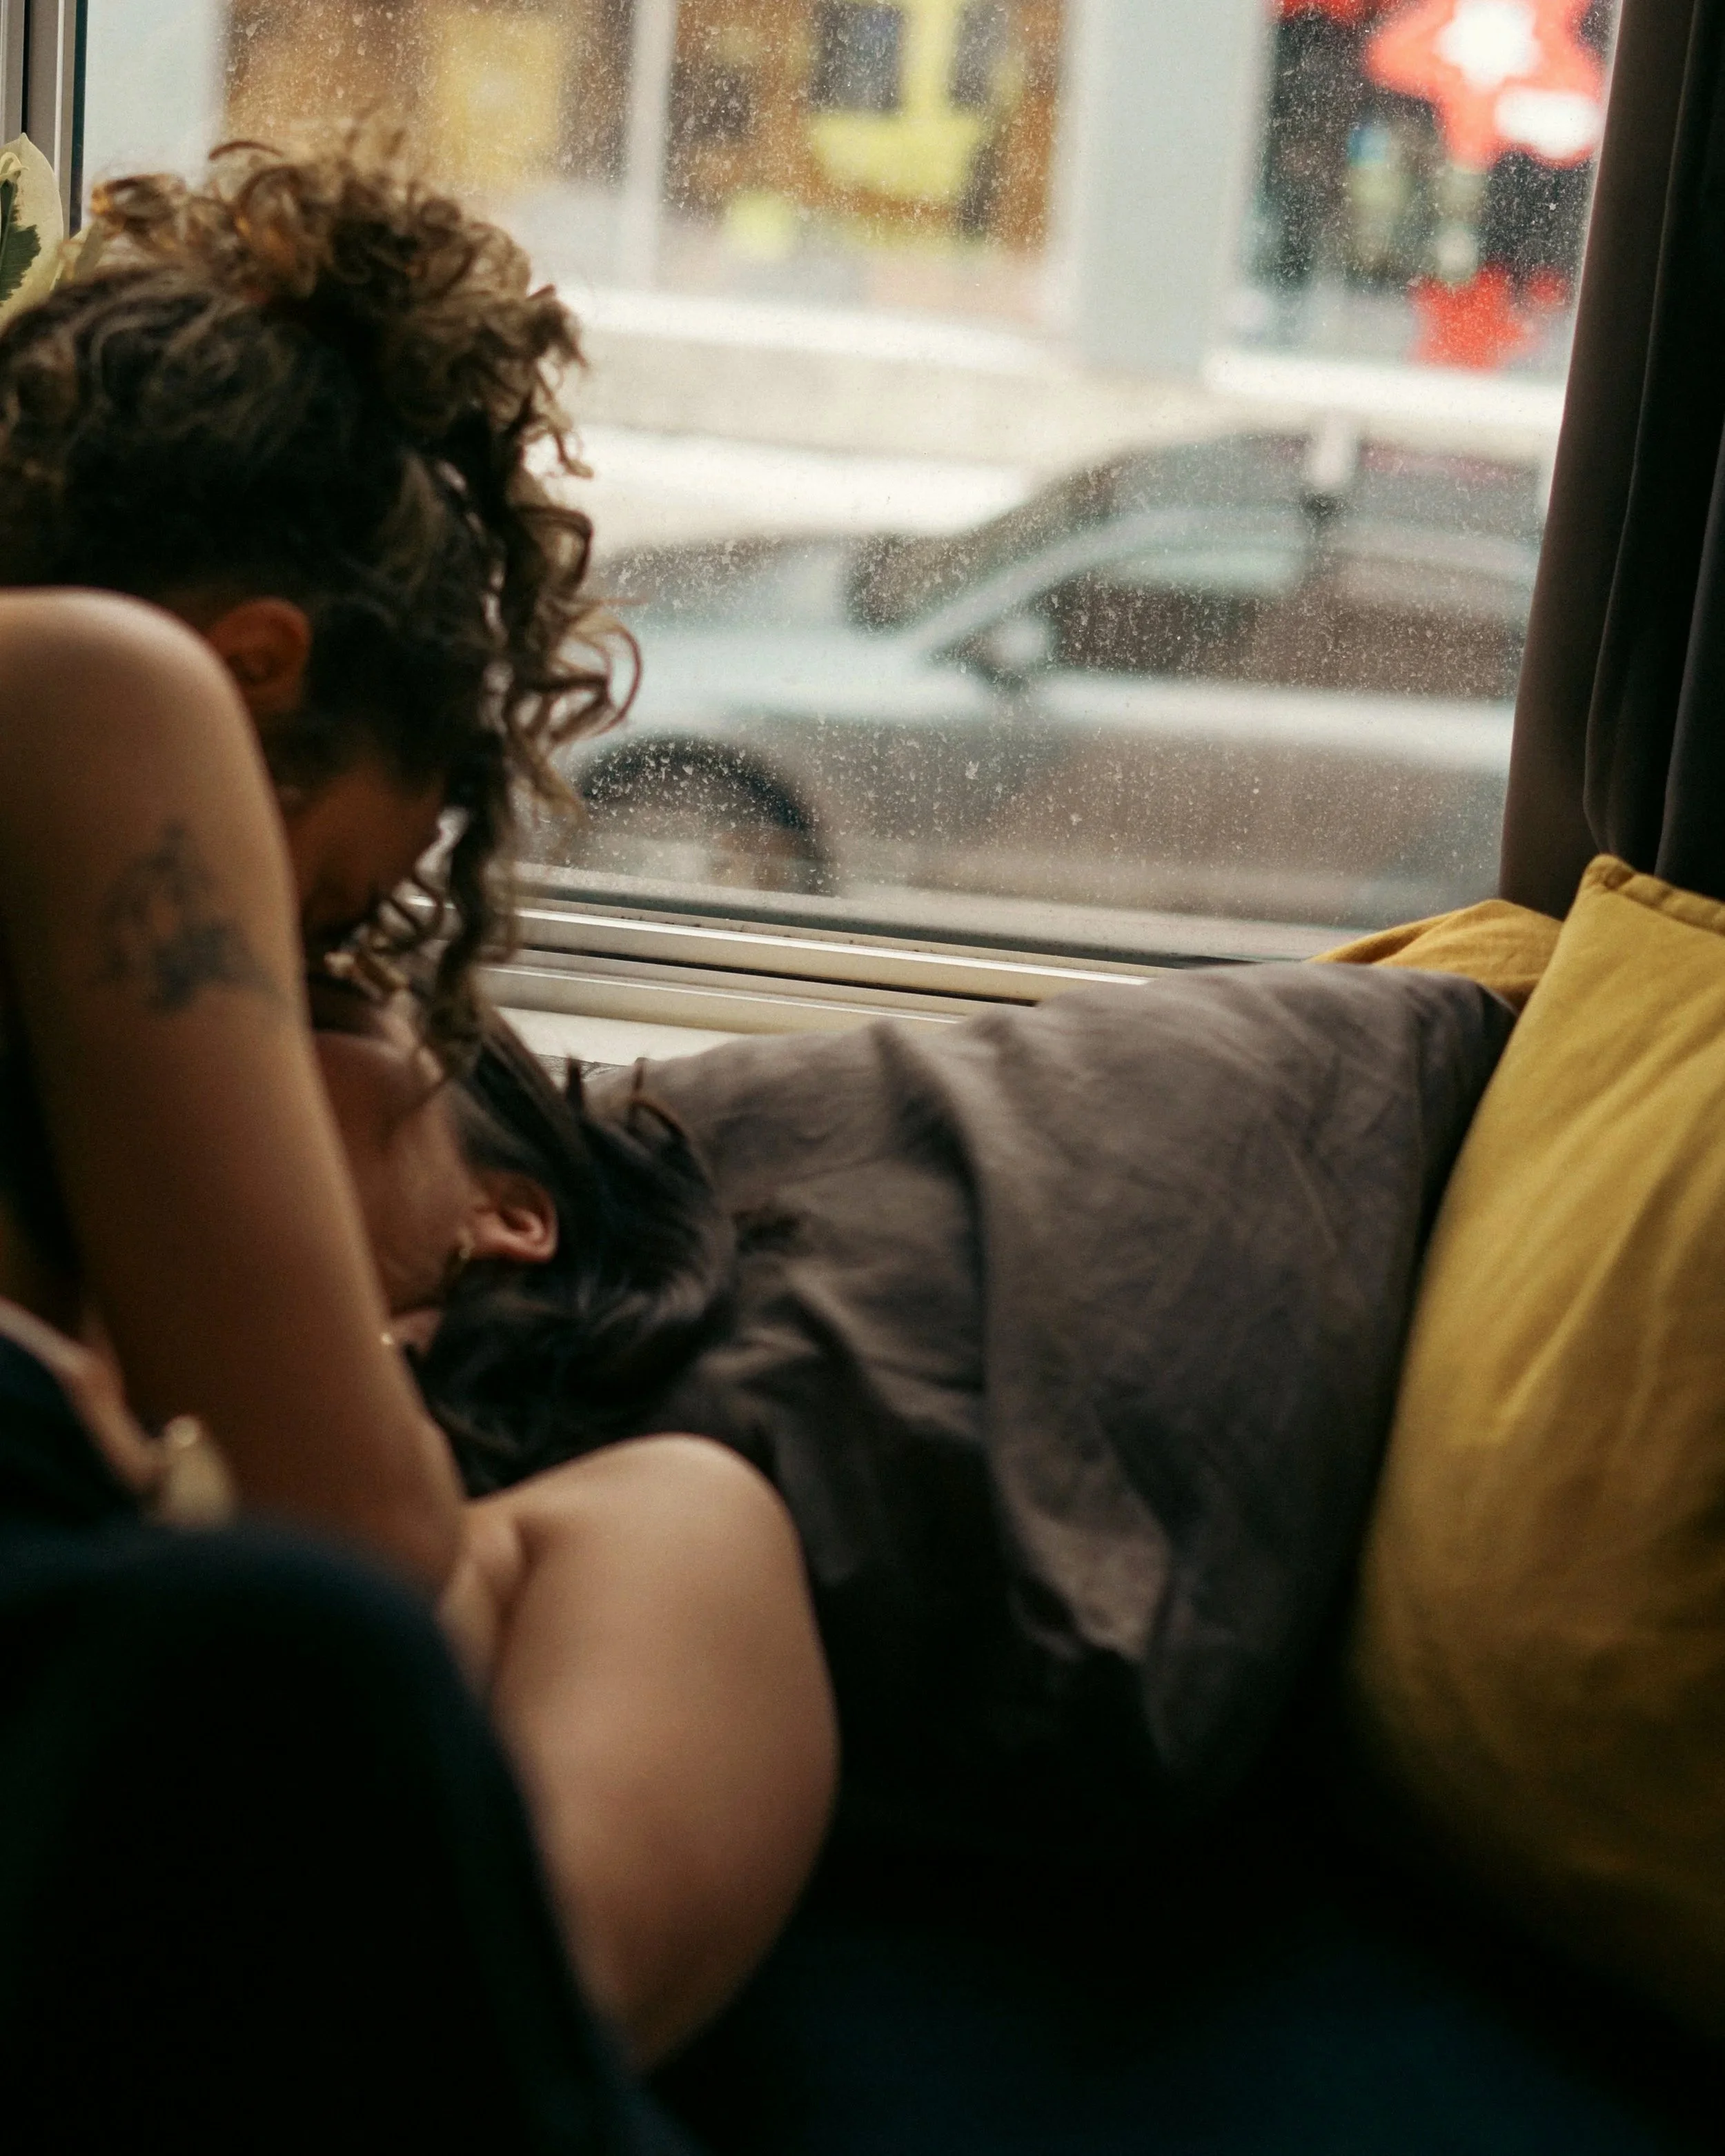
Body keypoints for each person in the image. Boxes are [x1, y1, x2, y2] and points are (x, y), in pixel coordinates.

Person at [0, 135, 829, 2145]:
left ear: (506, 1220)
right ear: (247, 675)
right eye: (288, 922)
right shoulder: (102, 695)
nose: (226, 1014)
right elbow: (355, 1545)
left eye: (289, 959)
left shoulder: (632, 1522)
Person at [316, 958, 1515, 1869]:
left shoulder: (661, 1521)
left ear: (506, 1217)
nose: (242, 1032)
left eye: (326, 1008)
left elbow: (492, 2025)